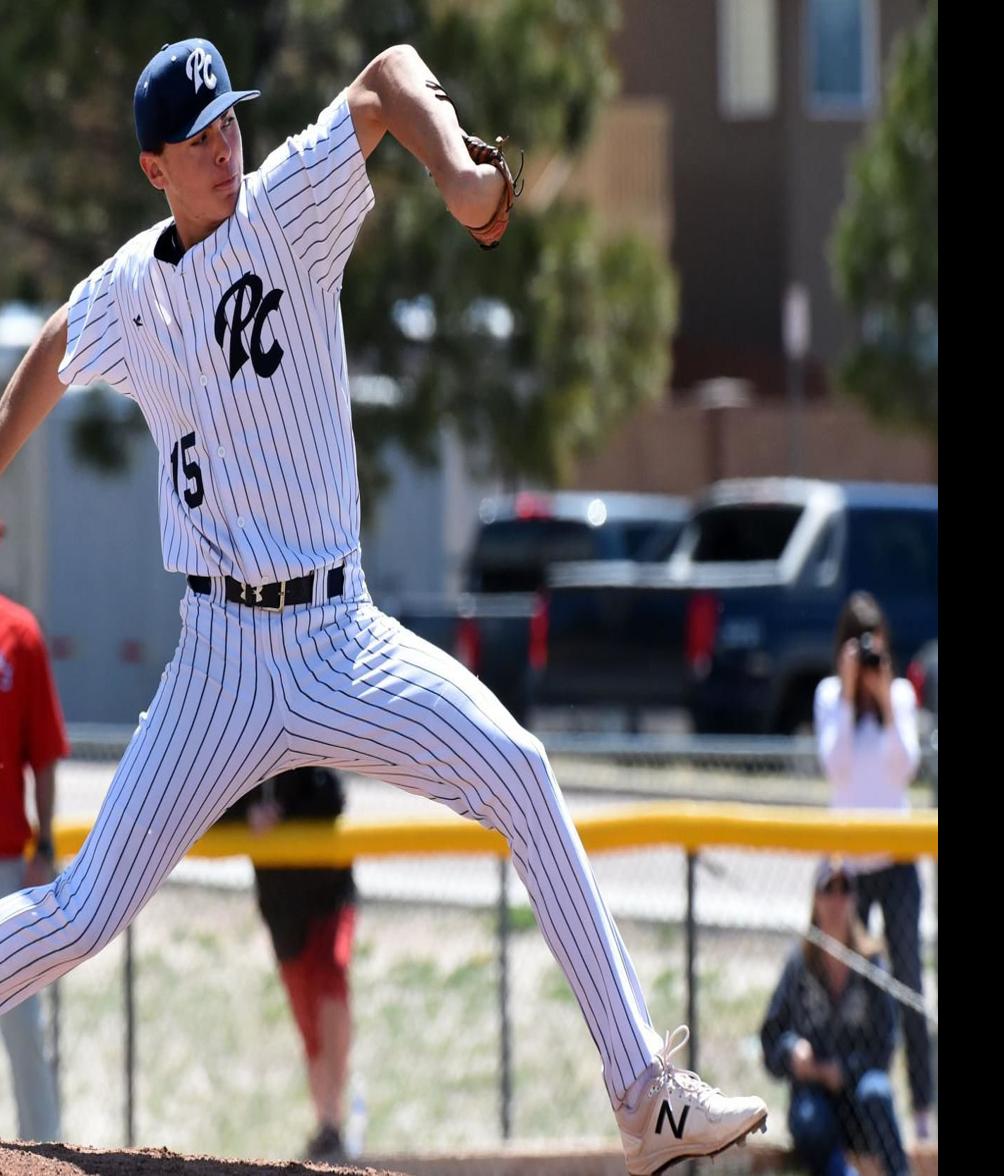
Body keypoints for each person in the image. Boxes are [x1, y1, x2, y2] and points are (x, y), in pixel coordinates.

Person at [0, 36, 766, 1174]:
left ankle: (645, 1095)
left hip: (335, 636)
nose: (226, 144)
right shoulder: (132, 287)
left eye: (229, 121)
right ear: (153, 170)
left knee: (519, 770)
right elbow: (56, 344)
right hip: (217, 656)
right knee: (82, 914)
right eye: (198, 138)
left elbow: (388, 74)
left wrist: (456, 166)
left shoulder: (287, 209)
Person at [814, 591, 932, 1137]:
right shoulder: (829, 697)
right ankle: (866, 1112)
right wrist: (845, 693)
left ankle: (925, 1112)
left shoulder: (901, 695)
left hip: (898, 860)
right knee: (855, 987)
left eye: (872, 648)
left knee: (908, 981)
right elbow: (835, 769)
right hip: (851, 871)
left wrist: (884, 700)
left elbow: (904, 767)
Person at [219, 766, 357, 1162]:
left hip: (327, 896)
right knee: (308, 1023)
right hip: (283, 912)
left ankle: (334, 1119)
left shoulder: (305, 752)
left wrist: (281, 816)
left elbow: (332, 800)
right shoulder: (240, 765)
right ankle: (327, 1126)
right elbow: (206, 814)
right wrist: (248, 818)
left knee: (331, 983)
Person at [761, 858, 907, 1176]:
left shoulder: (871, 964)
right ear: (816, 897)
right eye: (829, 888)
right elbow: (771, 1038)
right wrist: (791, 1051)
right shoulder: (799, 965)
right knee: (809, 1117)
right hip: (814, 1096)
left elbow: (886, 1044)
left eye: (846, 889)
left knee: (878, 1092)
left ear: (856, 898)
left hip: (859, 1092)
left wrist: (843, 1071)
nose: (837, 900)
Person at [0, 517, 65, 1142]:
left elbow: (42, 753)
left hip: (3, 862)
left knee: (22, 1023)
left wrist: (44, 843)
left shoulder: (19, 632)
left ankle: (42, 1152)